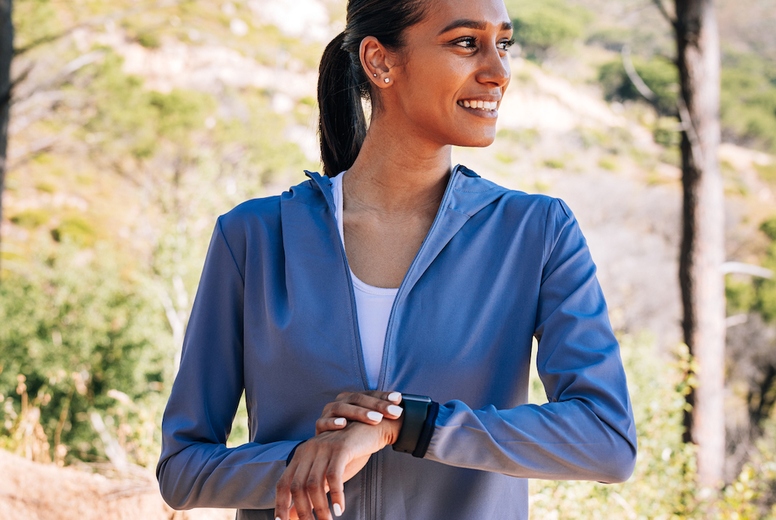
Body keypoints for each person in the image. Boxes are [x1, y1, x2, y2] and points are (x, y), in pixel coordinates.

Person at [156, 0, 638, 518]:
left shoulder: (536, 233)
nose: (499, 73)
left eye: (504, 44)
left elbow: (606, 438)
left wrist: (408, 425)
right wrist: (306, 463)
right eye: (465, 43)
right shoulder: (254, 237)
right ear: (380, 61)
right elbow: (183, 471)